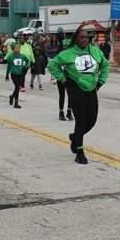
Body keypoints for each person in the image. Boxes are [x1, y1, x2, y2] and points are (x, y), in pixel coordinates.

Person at [47, 29, 109, 164]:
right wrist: (63, 79)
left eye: (86, 37)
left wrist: (101, 81)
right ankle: (79, 152)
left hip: (92, 89)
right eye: (81, 37)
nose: (84, 40)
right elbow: (52, 65)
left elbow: (105, 64)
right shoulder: (67, 53)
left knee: (91, 120)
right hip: (75, 89)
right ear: (76, 39)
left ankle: (75, 137)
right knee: (80, 120)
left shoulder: (95, 51)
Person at [5, 43, 30, 109]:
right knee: (17, 86)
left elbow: (28, 61)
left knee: (18, 87)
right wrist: (7, 74)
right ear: (13, 49)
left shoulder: (22, 56)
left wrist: (26, 66)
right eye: (16, 48)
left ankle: (12, 96)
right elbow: (9, 66)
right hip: (14, 73)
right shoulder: (11, 57)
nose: (17, 49)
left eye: (18, 48)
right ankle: (16, 102)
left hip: (20, 73)